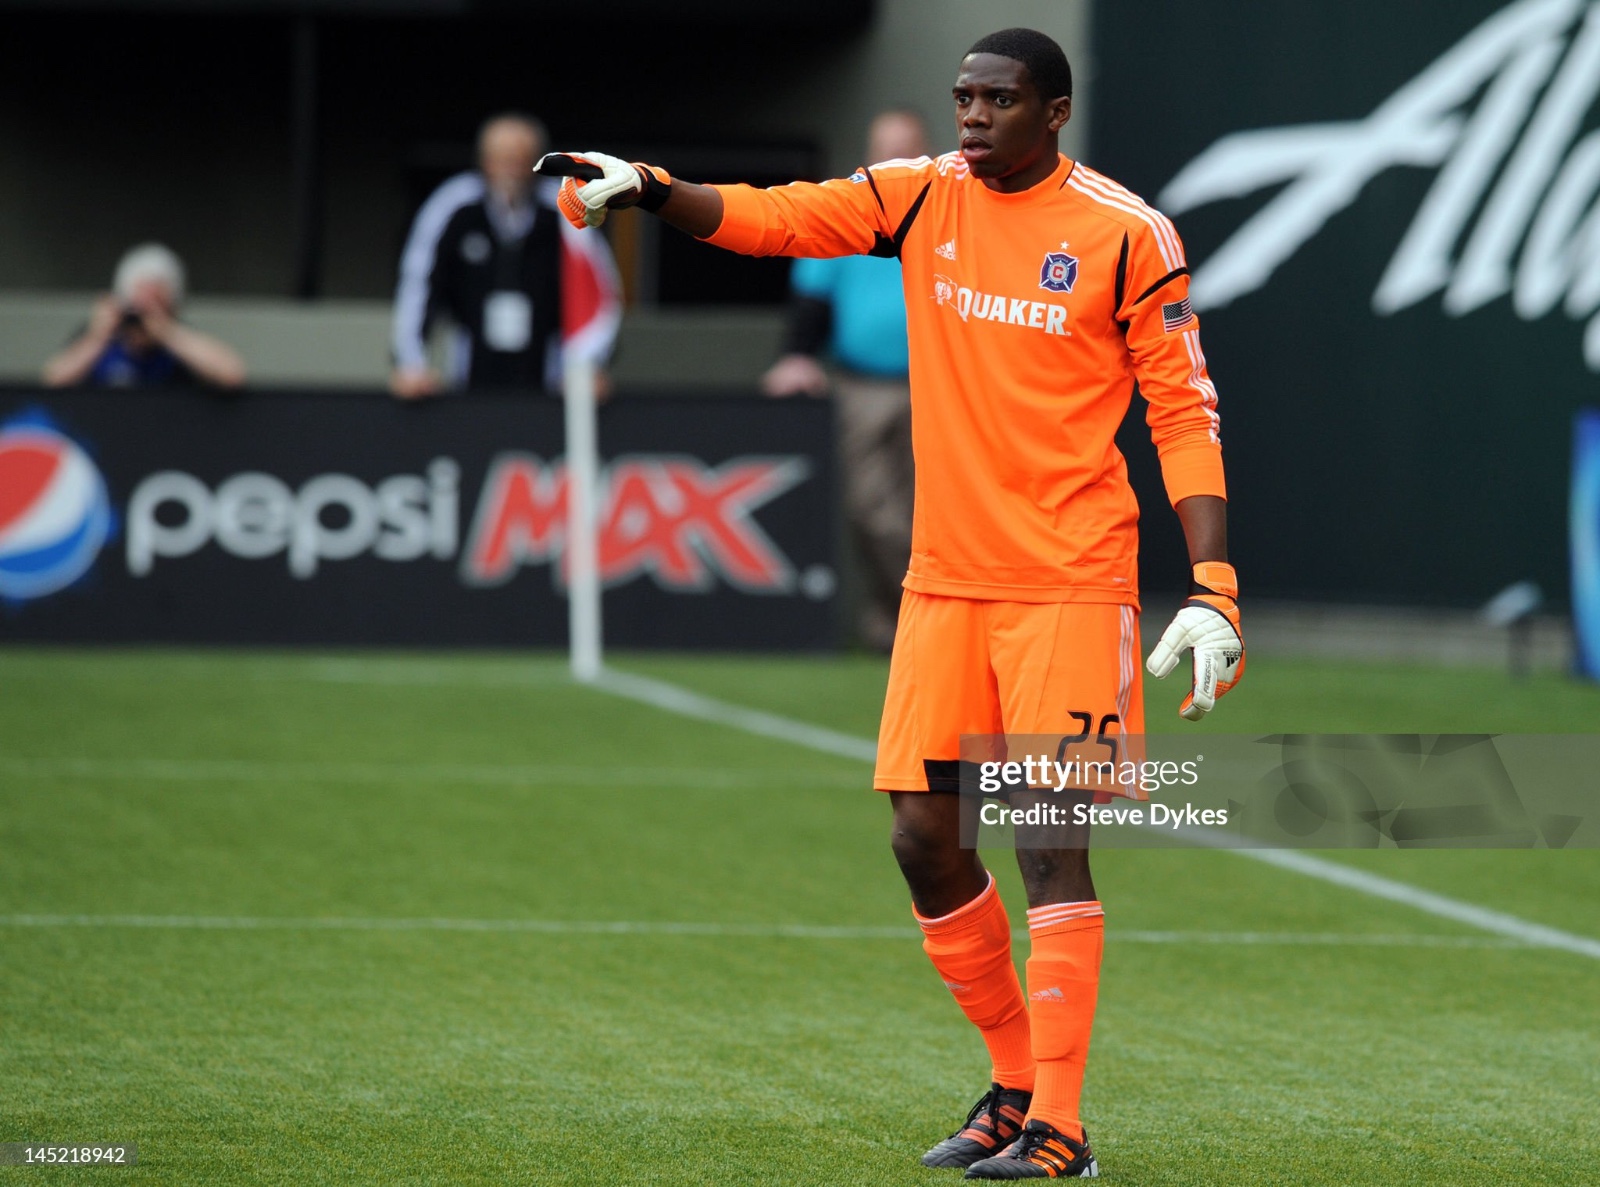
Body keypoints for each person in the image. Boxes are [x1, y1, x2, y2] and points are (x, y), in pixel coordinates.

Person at [542, 26, 1245, 1180]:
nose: (971, 117)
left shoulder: (1126, 234)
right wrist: (654, 191)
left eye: (998, 100)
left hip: (1069, 579)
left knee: (1046, 842)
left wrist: (1211, 584)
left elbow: (1184, 411)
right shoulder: (920, 199)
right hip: (946, 580)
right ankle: (1012, 1082)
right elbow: (778, 217)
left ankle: (1060, 1124)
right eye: (963, 97)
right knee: (922, 836)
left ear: (1053, 113)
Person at [762, 110, 925, 652]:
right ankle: (898, 619)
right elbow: (812, 293)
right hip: (863, 384)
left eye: (904, 147)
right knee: (873, 510)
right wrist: (796, 356)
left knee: (934, 513)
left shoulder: (949, 205)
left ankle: (916, 628)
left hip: (942, 385)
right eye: (885, 147)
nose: (893, 157)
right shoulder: (847, 210)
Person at [390, 113, 621, 398]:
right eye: (502, 159)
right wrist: (410, 363)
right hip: (468, 371)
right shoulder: (453, 205)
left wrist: (588, 365)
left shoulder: (564, 210)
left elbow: (597, 292)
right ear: (483, 161)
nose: (511, 169)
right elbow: (418, 284)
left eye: (521, 159)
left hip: (550, 379)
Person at [42, 244, 246, 389]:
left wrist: (167, 332)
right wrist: (99, 337)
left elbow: (232, 374)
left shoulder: (179, 342)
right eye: (139, 300)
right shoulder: (101, 339)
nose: (145, 314)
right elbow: (52, 380)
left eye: (156, 302)